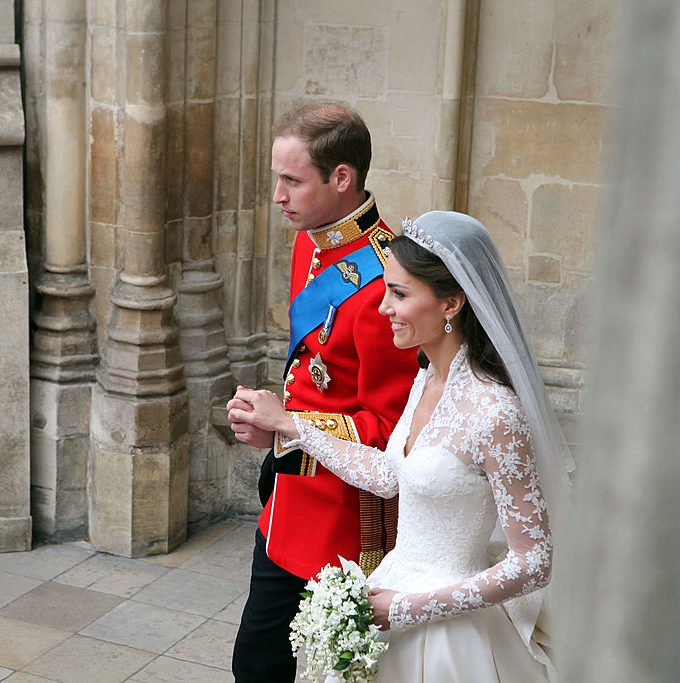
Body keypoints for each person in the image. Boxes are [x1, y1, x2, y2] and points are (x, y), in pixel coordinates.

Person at [229, 210, 573, 682]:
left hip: (450, 633)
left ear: (451, 304)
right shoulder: (427, 377)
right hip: (391, 589)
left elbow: (533, 562)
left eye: (399, 293)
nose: (384, 308)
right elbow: (390, 476)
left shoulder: (495, 412)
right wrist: (293, 426)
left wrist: (411, 609)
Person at [229, 103, 420, 683]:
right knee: (258, 664)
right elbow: (312, 376)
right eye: (277, 179)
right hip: (289, 489)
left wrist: (291, 426)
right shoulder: (311, 241)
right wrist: (273, 426)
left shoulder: (389, 282)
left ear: (342, 178)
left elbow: (391, 433)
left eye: (292, 180)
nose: (279, 195)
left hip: (340, 517)